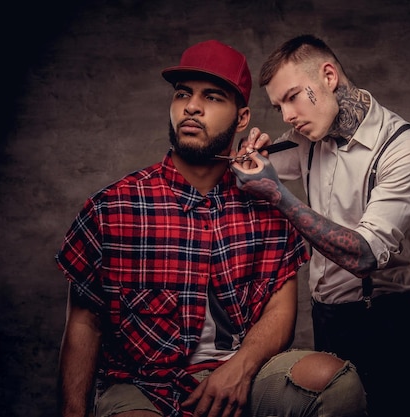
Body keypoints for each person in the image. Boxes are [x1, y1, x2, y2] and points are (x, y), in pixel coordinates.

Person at [55, 39, 367, 417]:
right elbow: (84, 323)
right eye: (183, 94)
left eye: (213, 97)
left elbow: (280, 311)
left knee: (335, 383)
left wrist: (240, 368)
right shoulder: (113, 207)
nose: (191, 106)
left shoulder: (265, 207)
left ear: (241, 118)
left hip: (242, 377)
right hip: (141, 386)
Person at [231, 34, 410, 417]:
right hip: (326, 318)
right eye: (279, 107)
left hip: (384, 321)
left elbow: (364, 255)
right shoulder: (308, 137)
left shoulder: (405, 148)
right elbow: (254, 169)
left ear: (328, 76)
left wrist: (278, 193)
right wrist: (249, 154)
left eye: (292, 97)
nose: (287, 115)